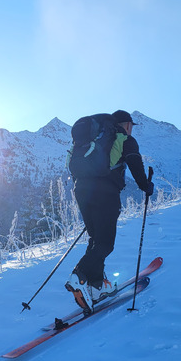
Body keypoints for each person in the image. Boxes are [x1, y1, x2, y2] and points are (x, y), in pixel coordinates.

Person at [66, 109, 154, 309]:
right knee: (106, 244)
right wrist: (145, 186)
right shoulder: (123, 139)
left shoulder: (93, 141)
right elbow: (135, 163)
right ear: (127, 125)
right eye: (131, 126)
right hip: (105, 194)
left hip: (82, 191)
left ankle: (97, 287)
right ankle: (78, 275)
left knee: (96, 240)